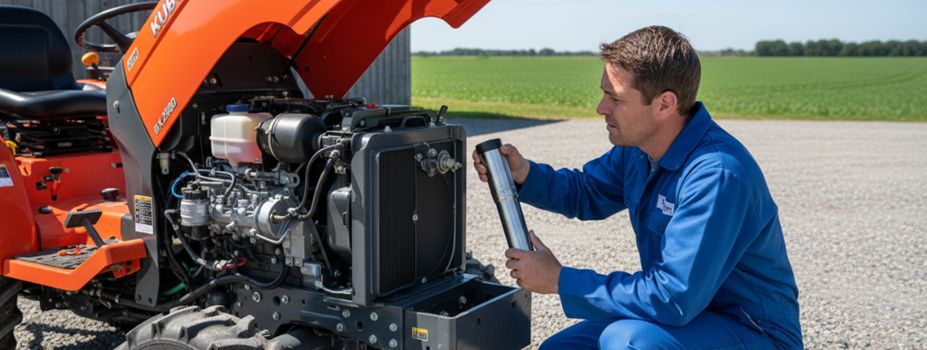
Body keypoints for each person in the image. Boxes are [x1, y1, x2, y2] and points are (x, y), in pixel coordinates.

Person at [472, 26, 802, 349]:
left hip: (751, 330)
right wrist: (524, 174)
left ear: (664, 104)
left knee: (628, 342)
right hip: (691, 317)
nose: (601, 108)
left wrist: (559, 279)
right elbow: (587, 192)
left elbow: (674, 296)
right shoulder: (640, 151)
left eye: (615, 98)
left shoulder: (716, 175)